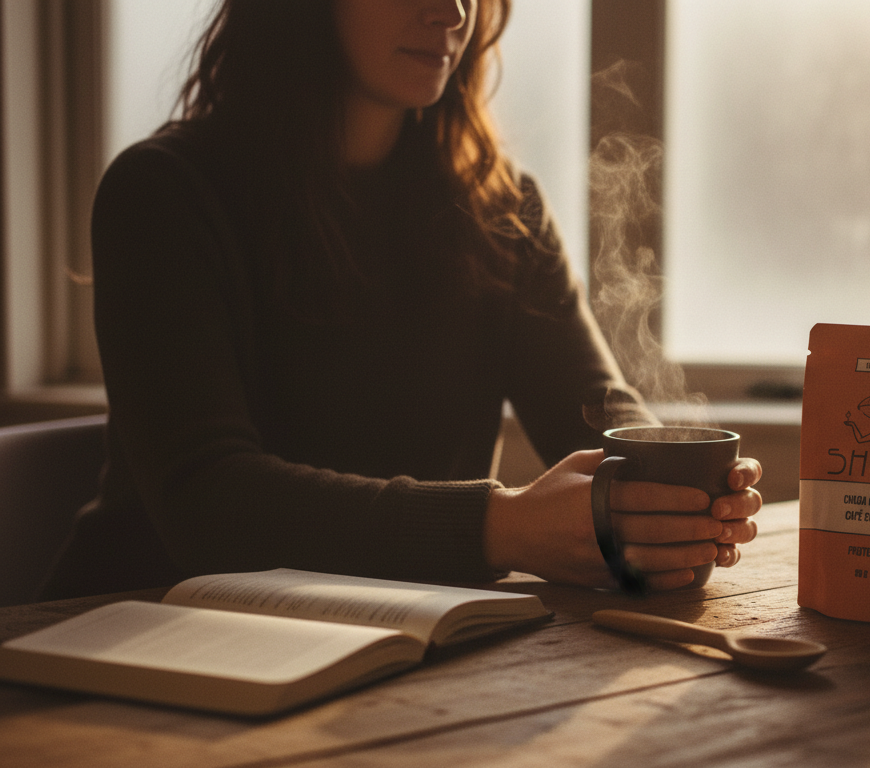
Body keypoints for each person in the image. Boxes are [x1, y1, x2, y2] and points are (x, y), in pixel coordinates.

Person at [41, 0, 761, 600]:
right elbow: (206, 500)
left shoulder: (500, 210)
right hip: (148, 642)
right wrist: (498, 525)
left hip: (401, 640)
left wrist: (671, 487)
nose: (451, 12)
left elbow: (597, 405)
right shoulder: (164, 194)